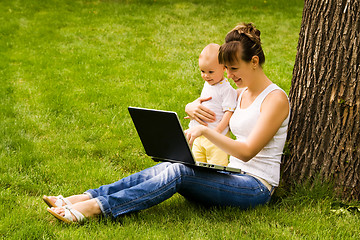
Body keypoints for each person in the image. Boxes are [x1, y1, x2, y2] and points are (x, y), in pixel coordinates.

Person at [43, 23, 290, 224]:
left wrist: (204, 130)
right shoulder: (240, 93)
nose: (229, 75)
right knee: (173, 164)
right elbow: (210, 103)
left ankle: (95, 208)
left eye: (234, 69)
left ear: (254, 62)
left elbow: (247, 153)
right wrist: (189, 108)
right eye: (227, 69)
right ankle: (83, 197)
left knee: (179, 172)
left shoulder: (275, 99)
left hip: (255, 187)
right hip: (231, 174)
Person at [188, 43, 237, 166]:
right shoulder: (208, 84)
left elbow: (229, 112)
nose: (205, 75)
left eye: (210, 71)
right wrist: (195, 115)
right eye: (202, 71)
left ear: (224, 68)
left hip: (217, 138)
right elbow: (207, 102)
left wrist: (218, 131)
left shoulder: (226, 89)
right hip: (200, 135)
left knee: (216, 166)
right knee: (197, 164)